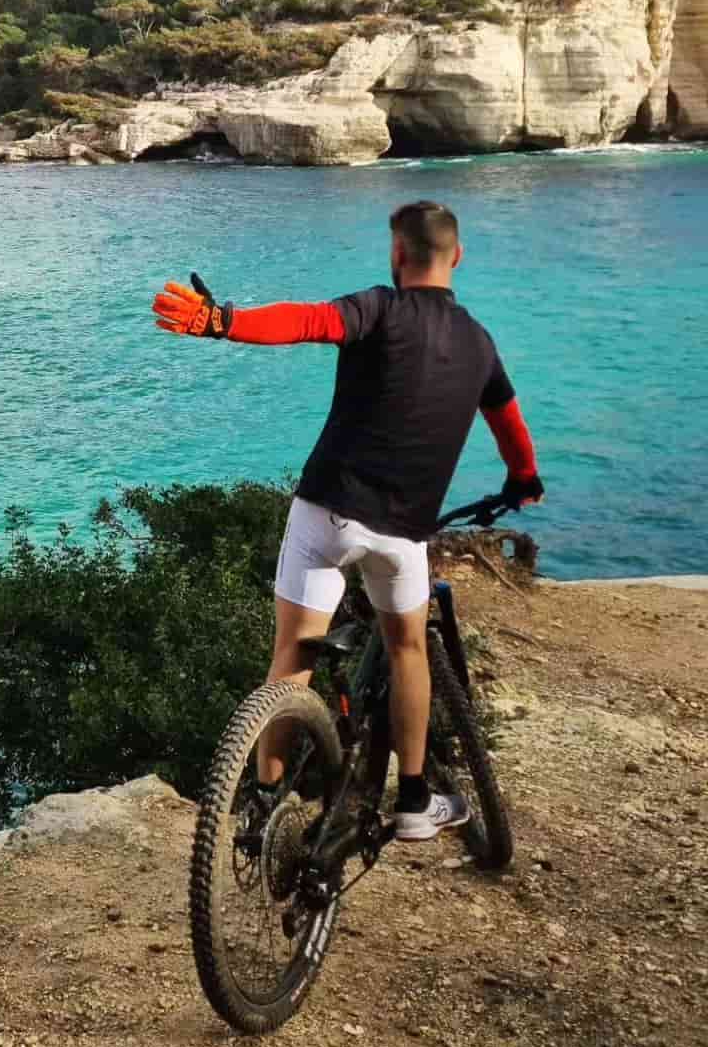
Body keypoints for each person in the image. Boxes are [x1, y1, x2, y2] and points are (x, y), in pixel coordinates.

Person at [151, 199, 543, 841]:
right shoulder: (479, 343)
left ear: (397, 255)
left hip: (328, 513)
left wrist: (220, 321)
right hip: (403, 533)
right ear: (458, 257)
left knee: (293, 653)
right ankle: (415, 803)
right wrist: (524, 481)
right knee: (409, 646)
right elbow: (510, 427)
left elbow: (306, 321)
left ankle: (263, 802)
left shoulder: (377, 308)